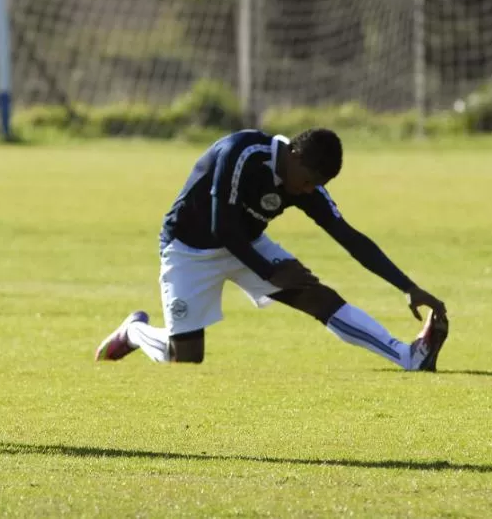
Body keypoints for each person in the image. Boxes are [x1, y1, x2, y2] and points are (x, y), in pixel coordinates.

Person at [94, 128, 449, 371]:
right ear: (293, 156)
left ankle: (408, 356)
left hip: (247, 244)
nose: (310, 191)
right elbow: (222, 227)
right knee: (184, 361)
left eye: (318, 185)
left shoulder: (305, 185)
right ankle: (134, 332)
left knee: (317, 297)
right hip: (190, 249)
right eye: (309, 181)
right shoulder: (242, 153)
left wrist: (407, 286)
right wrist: (271, 272)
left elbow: (349, 237)